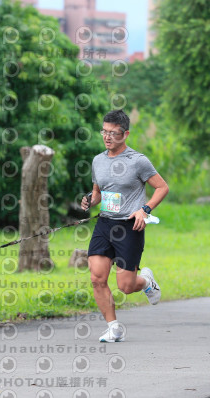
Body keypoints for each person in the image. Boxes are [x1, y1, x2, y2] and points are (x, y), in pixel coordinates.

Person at [81, 109, 169, 343]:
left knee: (126, 286)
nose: (107, 137)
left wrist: (145, 209)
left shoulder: (138, 161)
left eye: (113, 133)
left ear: (125, 134)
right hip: (104, 224)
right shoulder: (98, 160)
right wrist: (90, 199)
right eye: (104, 132)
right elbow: (99, 192)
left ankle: (146, 282)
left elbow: (162, 187)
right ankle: (113, 327)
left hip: (130, 226)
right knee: (97, 278)